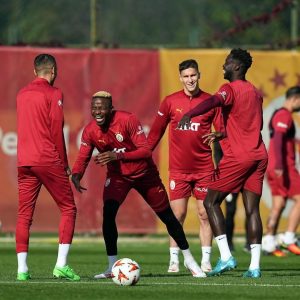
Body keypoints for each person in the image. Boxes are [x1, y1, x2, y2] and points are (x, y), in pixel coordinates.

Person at [71, 91, 206, 279]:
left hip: (145, 174)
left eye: (101, 107)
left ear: (111, 108)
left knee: (167, 216)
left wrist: (117, 155)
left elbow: (145, 151)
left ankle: (189, 260)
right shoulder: (90, 130)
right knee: (108, 213)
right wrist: (76, 174)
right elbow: (83, 157)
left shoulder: (128, 119)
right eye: (94, 108)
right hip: (118, 177)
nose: (97, 111)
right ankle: (111, 267)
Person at [178, 48, 268, 278]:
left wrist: (191, 113)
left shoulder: (229, 89)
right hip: (258, 154)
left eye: (227, 63)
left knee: (210, 202)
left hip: (239, 157)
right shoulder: (255, 93)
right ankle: (255, 267)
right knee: (252, 210)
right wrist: (223, 134)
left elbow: (214, 101)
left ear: (237, 67)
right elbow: (251, 126)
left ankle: (226, 256)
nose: (223, 66)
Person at [147, 59, 222, 273]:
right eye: (186, 76)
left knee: (205, 214)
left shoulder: (210, 101)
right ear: (180, 78)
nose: (190, 79)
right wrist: (144, 154)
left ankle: (206, 260)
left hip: (205, 169)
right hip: (178, 171)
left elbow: (223, 131)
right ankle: (174, 260)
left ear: (199, 75)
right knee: (177, 215)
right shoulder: (170, 102)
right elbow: (155, 133)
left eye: (193, 75)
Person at [16, 54, 80, 281]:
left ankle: (22, 270)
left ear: (35, 72)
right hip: (48, 159)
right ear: (53, 71)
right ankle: (61, 265)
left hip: (24, 161)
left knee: (24, 215)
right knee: (68, 208)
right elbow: (56, 130)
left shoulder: (22, 93)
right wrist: (64, 164)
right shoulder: (54, 93)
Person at [262, 86, 300, 256]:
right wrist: (279, 165)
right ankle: (289, 237)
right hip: (283, 167)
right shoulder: (284, 115)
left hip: (275, 166)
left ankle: (268, 242)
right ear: (296, 98)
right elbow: (277, 138)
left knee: (278, 205)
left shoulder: (280, 114)